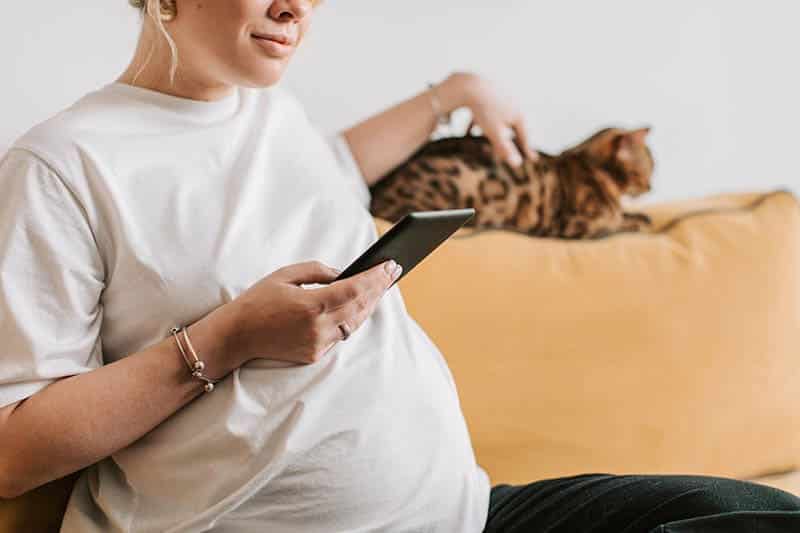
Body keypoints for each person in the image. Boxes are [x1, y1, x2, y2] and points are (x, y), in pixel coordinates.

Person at [0, 1, 798, 532]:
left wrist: (452, 93)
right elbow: (13, 447)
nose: (298, 6)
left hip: (464, 514)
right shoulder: (64, 163)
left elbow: (331, 170)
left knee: (754, 517)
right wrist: (230, 337)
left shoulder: (272, 113)